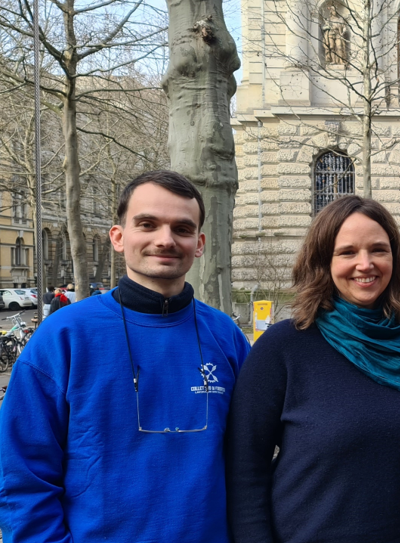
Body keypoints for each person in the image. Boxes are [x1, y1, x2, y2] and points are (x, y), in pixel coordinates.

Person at [0, 170, 252, 542]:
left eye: (182, 229)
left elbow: (253, 461)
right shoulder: (64, 337)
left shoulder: (226, 337)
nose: (165, 240)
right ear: (118, 237)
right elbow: (21, 475)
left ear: (199, 244)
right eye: (147, 224)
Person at [225, 195, 400, 543]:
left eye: (378, 249)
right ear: (323, 262)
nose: (366, 264)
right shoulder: (284, 346)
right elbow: (245, 469)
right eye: (347, 252)